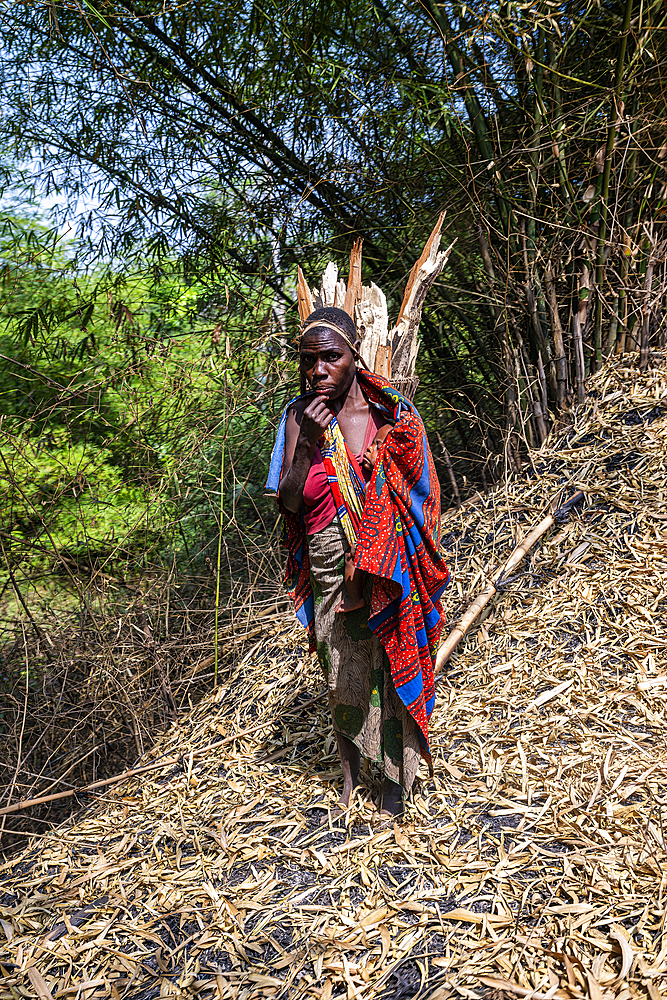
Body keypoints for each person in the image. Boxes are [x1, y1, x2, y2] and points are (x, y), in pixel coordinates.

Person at [265, 305, 449, 820]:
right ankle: (351, 775)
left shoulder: (394, 415)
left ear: (354, 356)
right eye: (309, 360)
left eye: (331, 358)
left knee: (392, 661)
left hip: (389, 561)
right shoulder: (297, 417)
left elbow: (420, 493)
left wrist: (376, 544)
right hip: (326, 555)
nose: (318, 370)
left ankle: (394, 779)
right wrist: (308, 446)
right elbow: (289, 503)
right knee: (339, 663)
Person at [337, 423, 393, 614]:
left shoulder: (375, 486)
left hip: (378, 544)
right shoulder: (390, 485)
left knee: (351, 559)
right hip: (380, 544)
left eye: (378, 446)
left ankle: (354, 599)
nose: (369, 448)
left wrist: (360, 544)